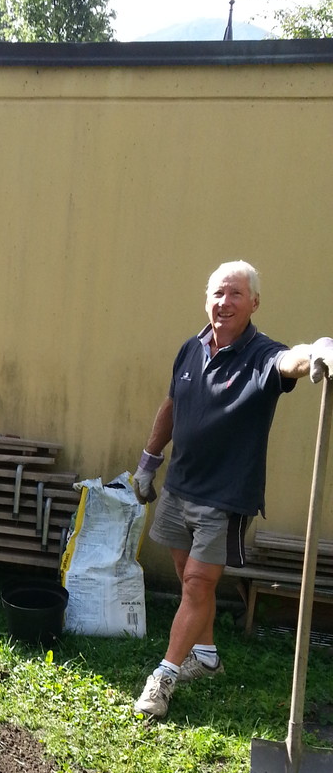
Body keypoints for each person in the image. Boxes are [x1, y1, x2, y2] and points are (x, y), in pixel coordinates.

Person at [131, 261, 333, 718]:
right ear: (207, 300)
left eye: (236, 294)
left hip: (223, 499)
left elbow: (291, 361)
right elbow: (171, 404)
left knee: (199, 584)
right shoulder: (190, 349)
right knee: (189, 583)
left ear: (254, 303)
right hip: (180, 486)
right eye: (218, 294)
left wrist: (317, 350)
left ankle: (162, 679)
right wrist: (149, 460)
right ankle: (206, 658)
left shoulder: (262, 355)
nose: (225, 303)